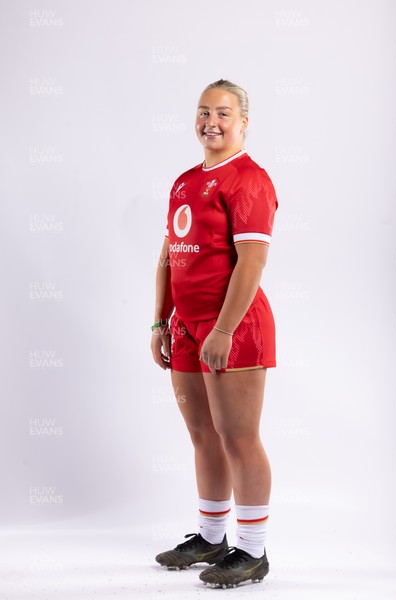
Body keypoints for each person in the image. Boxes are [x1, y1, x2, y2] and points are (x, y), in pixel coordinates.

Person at [150, 79, 278, 589]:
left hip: (235, 325)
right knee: (203, 435)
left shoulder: (249, 180)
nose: (211, 122)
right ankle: (211, 535)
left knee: (238, 436)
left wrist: (223, 328)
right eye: (204, 112)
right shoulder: (184, 181)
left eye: (223, 113)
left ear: (244, 122)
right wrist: (162, 321)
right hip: (185, 326)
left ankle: (253, 551)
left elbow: (252, 262)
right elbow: (167, 256)